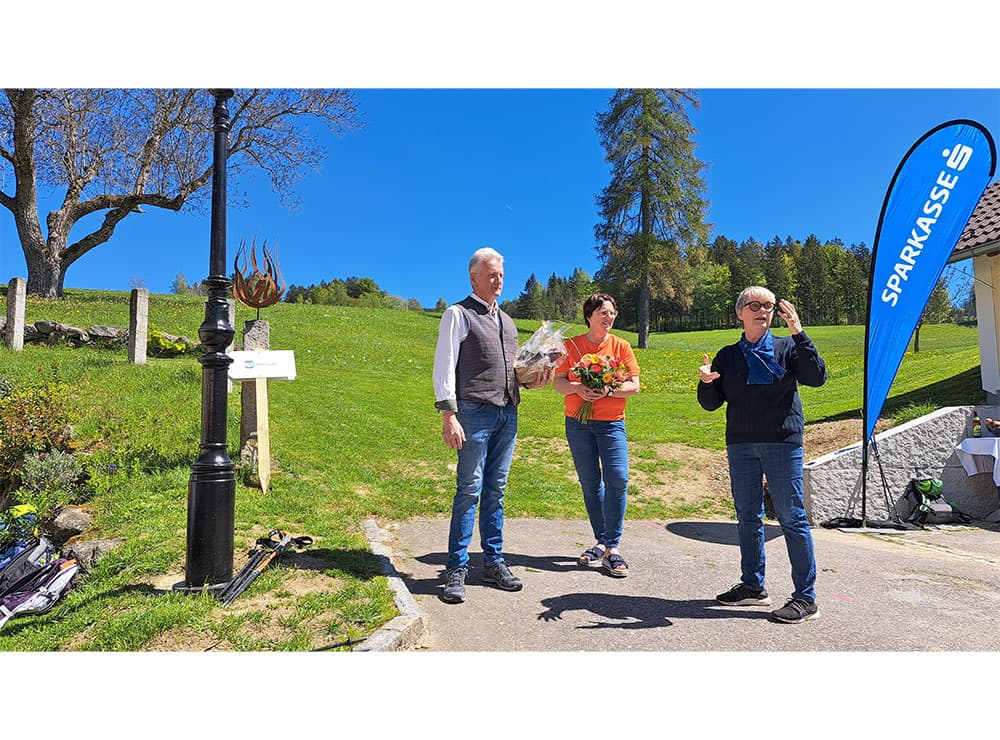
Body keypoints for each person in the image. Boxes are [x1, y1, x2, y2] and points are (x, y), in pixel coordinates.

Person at [697, 286, 827, 624]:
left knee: (792, 517)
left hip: (782, 442)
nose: (762, 310)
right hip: (741, 444)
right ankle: (753, 587)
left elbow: (816, 377)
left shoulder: (788, 347)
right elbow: (711, 403)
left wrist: (799, 332)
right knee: (747, 516)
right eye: (754, 305)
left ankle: (806, 599)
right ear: (740, 313)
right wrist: (707, 382)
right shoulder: (727, 356)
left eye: (768, 305)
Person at [432, 247, 554, 604]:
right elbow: (444, 365)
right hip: (473, 412)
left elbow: (514, 371)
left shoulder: (508, 321)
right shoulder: (458, 314)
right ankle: (456, 568)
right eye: (491, 275)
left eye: (501, 275)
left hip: (507, 413)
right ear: (474, 278)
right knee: (469, 489)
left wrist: (534, 379)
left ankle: (493, 562)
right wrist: (449, 414)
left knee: (496, 490)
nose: (498, 281)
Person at [554, 293, 640, 577]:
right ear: (589, 315)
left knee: (618, 478)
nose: (609, 317)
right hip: (578, 422)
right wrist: (578, 388)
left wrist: (608, 390)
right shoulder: (571, 346)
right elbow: (558, 382)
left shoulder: (621, 346)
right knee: (590, 482)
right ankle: (602, 542)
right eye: (603, 312)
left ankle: (613, 546)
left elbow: (634, 385)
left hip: (612, 423)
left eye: (612, 313)